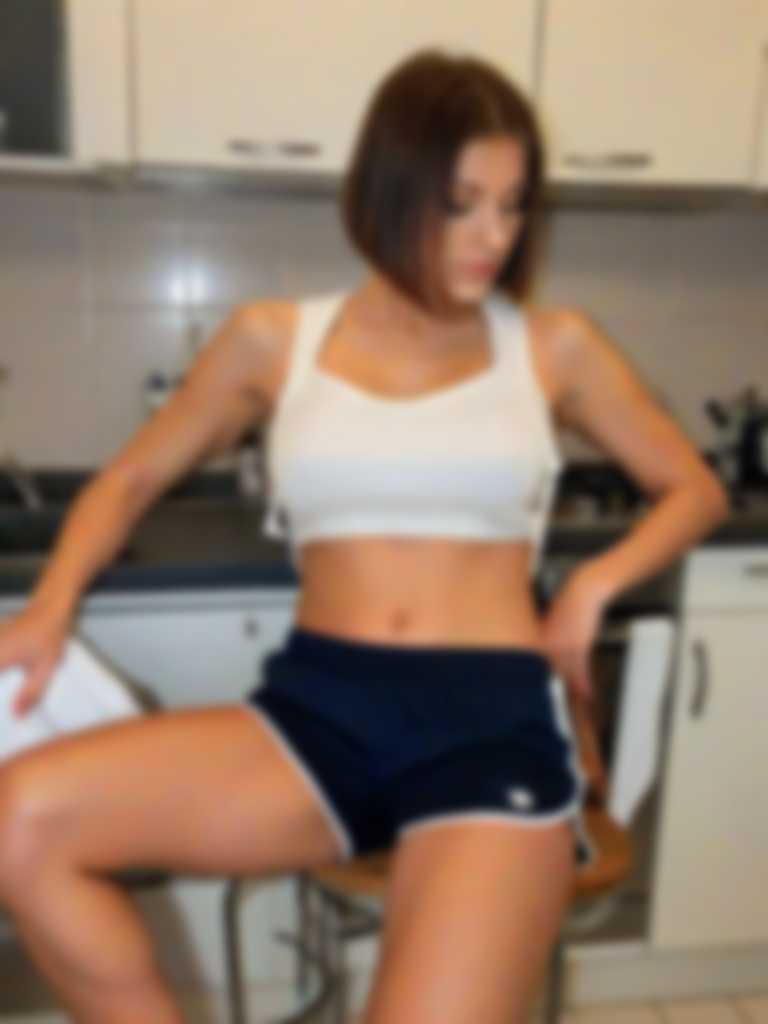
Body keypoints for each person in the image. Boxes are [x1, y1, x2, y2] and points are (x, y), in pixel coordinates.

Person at [0, 48, 729, 1024]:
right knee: (22, 821)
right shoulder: (274, 340)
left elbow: (692, 488)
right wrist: (50, 607)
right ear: (391, 191)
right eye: (462, 204)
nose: (494, 236)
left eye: (513, 206)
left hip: (490, 723)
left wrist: (595, 585)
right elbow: (128, 478)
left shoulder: (554, 346)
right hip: (320, 713)